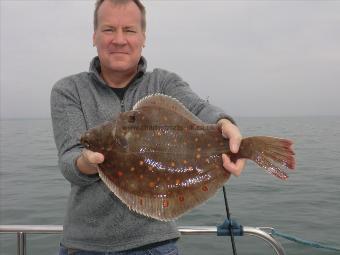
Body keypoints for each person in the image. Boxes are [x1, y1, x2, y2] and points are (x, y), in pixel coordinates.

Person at [51, 0, 246, 254]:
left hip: (155, 244)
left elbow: (199, 109)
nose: (119, 40)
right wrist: (86, 163)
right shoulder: (69, 90)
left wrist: (224, 123)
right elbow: (69, 159)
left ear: (143, 37)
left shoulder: (163, 83)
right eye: (109, 29)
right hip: (84, 245)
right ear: (94, 36)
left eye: (129, 30)